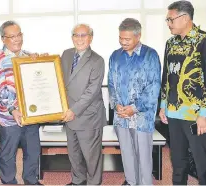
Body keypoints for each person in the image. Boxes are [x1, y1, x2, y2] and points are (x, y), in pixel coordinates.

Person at [159, 1, 206, 185]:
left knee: (202, 162)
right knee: (177, 161)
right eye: (167, 19)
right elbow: (166, 76)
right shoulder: (171, 43)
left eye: (170, 19)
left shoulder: (205, 42)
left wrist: (204, 114)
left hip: (195, 116)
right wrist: (163, 106)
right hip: (173, 113)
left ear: (184, 18)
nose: (168, 23)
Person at [0, 20, 44, 185]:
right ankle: (8, 181)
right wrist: (12, 109)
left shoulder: (27, 56)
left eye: (19, 34)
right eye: (12, 36)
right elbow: (0, 89)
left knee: (32, 150)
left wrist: (39, 61)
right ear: (3, 39)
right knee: (8, 153)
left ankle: (31, 179)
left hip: (30, 114)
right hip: (9, 116)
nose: (17, 39)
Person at [108, 18, 161, 185]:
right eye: (121, 38)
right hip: (121, 116)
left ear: (138, 36)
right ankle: (131, 182)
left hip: (141, 117)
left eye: (127, 39)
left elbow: (154, 87)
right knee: (127, 154)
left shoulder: (150, 55)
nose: (123, 42)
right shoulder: (115, 56)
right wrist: (116, 104)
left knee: (143, 156)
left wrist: (134, 108)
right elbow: (111, 83)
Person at [60, 24, 106, 185]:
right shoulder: (65, 55)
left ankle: (94, 183)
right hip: (68, 115)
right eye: (76, 35)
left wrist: (74, 110)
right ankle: (78, 180)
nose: (79, 39)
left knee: (91, 156)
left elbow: (92, 92)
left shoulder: (97, 60)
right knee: (74, 154)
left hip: (87, 116)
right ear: (72, 37)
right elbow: (56, 77)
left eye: (83, 35)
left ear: (91, 38)